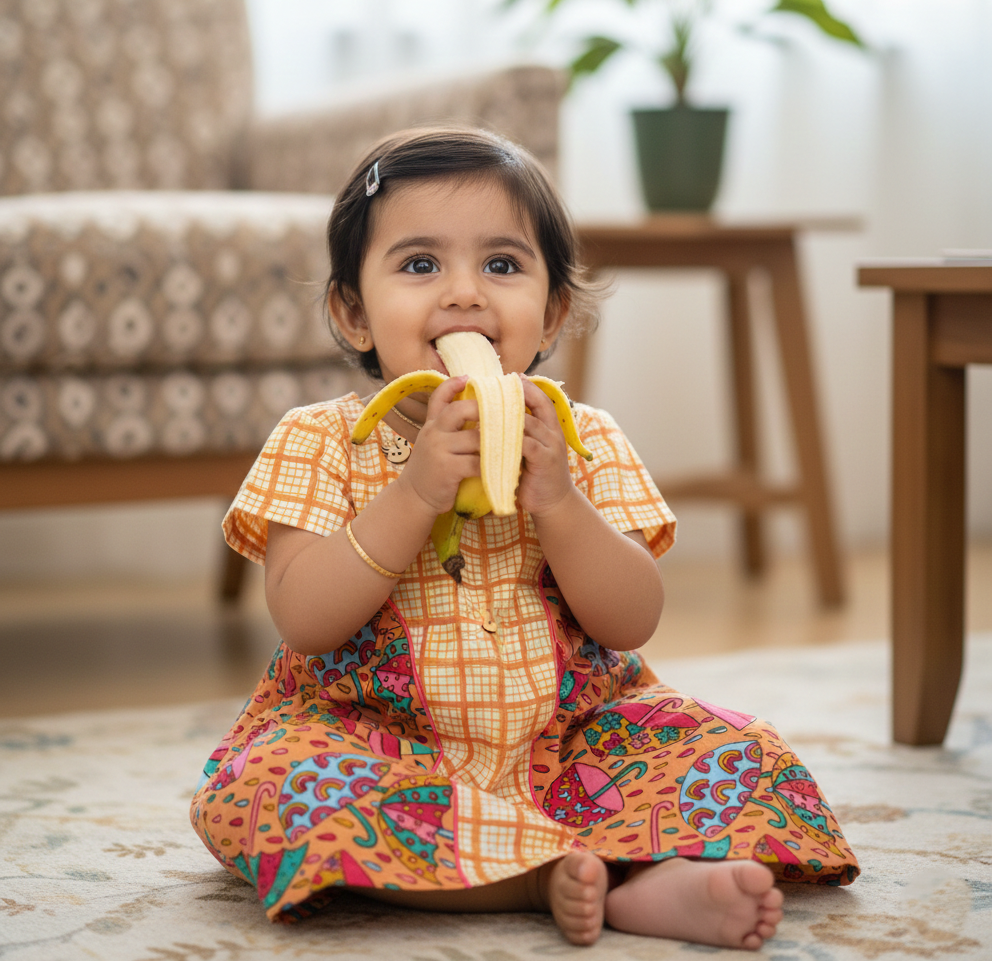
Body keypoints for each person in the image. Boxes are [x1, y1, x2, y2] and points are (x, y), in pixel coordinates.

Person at [190, 126, 859, 949]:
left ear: (552, 313)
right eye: (420, 264)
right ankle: (546, 879)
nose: (466, 294)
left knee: (741, 750)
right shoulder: (319, 440)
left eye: (502, 265)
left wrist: (562, 504)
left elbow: (631, 621)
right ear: (353, 313)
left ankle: (644, 879)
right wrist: (414, 492)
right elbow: (305, 617)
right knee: (277, 787)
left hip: (574, 746)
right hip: (377, 744)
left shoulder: (584, 438)